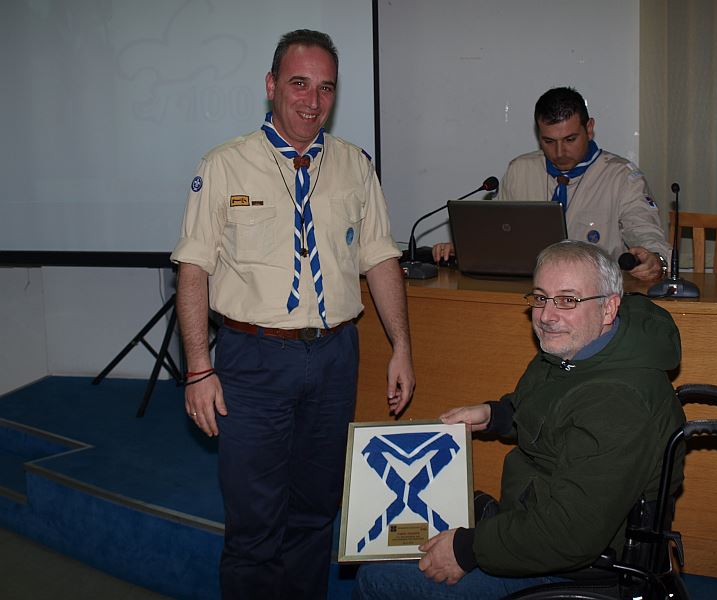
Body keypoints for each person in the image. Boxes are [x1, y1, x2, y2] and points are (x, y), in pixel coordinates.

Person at [170, 29, 415, 600]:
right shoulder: (225, 165)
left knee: (314, 512)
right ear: (271, 85)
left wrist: (402, 346)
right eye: (299, 83)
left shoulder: (355, 165)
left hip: (334, 358)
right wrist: (199, 368)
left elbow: (379, 257)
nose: (312, 100)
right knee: (255, 522)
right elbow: (194, 269)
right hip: (252, 361)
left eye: (325, 87)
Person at [354, 240, 685, 599]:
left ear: (608, 308)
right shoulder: (580, 351)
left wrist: (466, 550)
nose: (546, 316)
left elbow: (569, 536)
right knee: (386, 524)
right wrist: (495, 415)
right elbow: (550, 409)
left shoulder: (621, 402)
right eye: (540, 298)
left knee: (377, 578)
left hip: (573, 565)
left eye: (567, 300)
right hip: (534, 514)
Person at [433, 87, 670, 281]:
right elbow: (499, 237)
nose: (559, 152)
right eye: (548, 141)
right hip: (528, 287)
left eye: (570, 139)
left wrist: (655, 260)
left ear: (589, 129)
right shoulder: (520, 170)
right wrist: (467, 249)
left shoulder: (622, 177)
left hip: (595, 293)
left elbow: (647, 234)